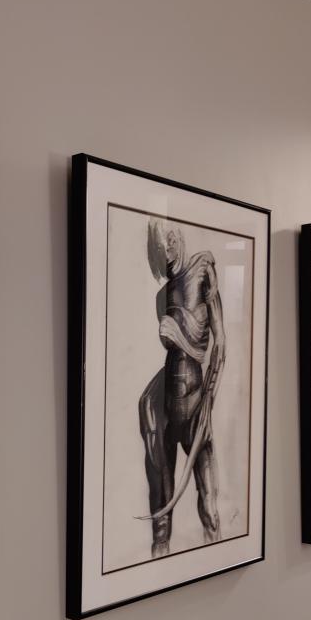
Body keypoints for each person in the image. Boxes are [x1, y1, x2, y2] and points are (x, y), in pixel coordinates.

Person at [137, 221, 226, 558]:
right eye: (161, 245)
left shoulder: (202, 270)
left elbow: (220, 345)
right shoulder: (161, 296)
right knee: (161, 524)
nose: (168, 248)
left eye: (171, 239)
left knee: (210, 507)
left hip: (196, 404)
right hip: (167, 405)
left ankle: (216, 560)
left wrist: (209, 401)